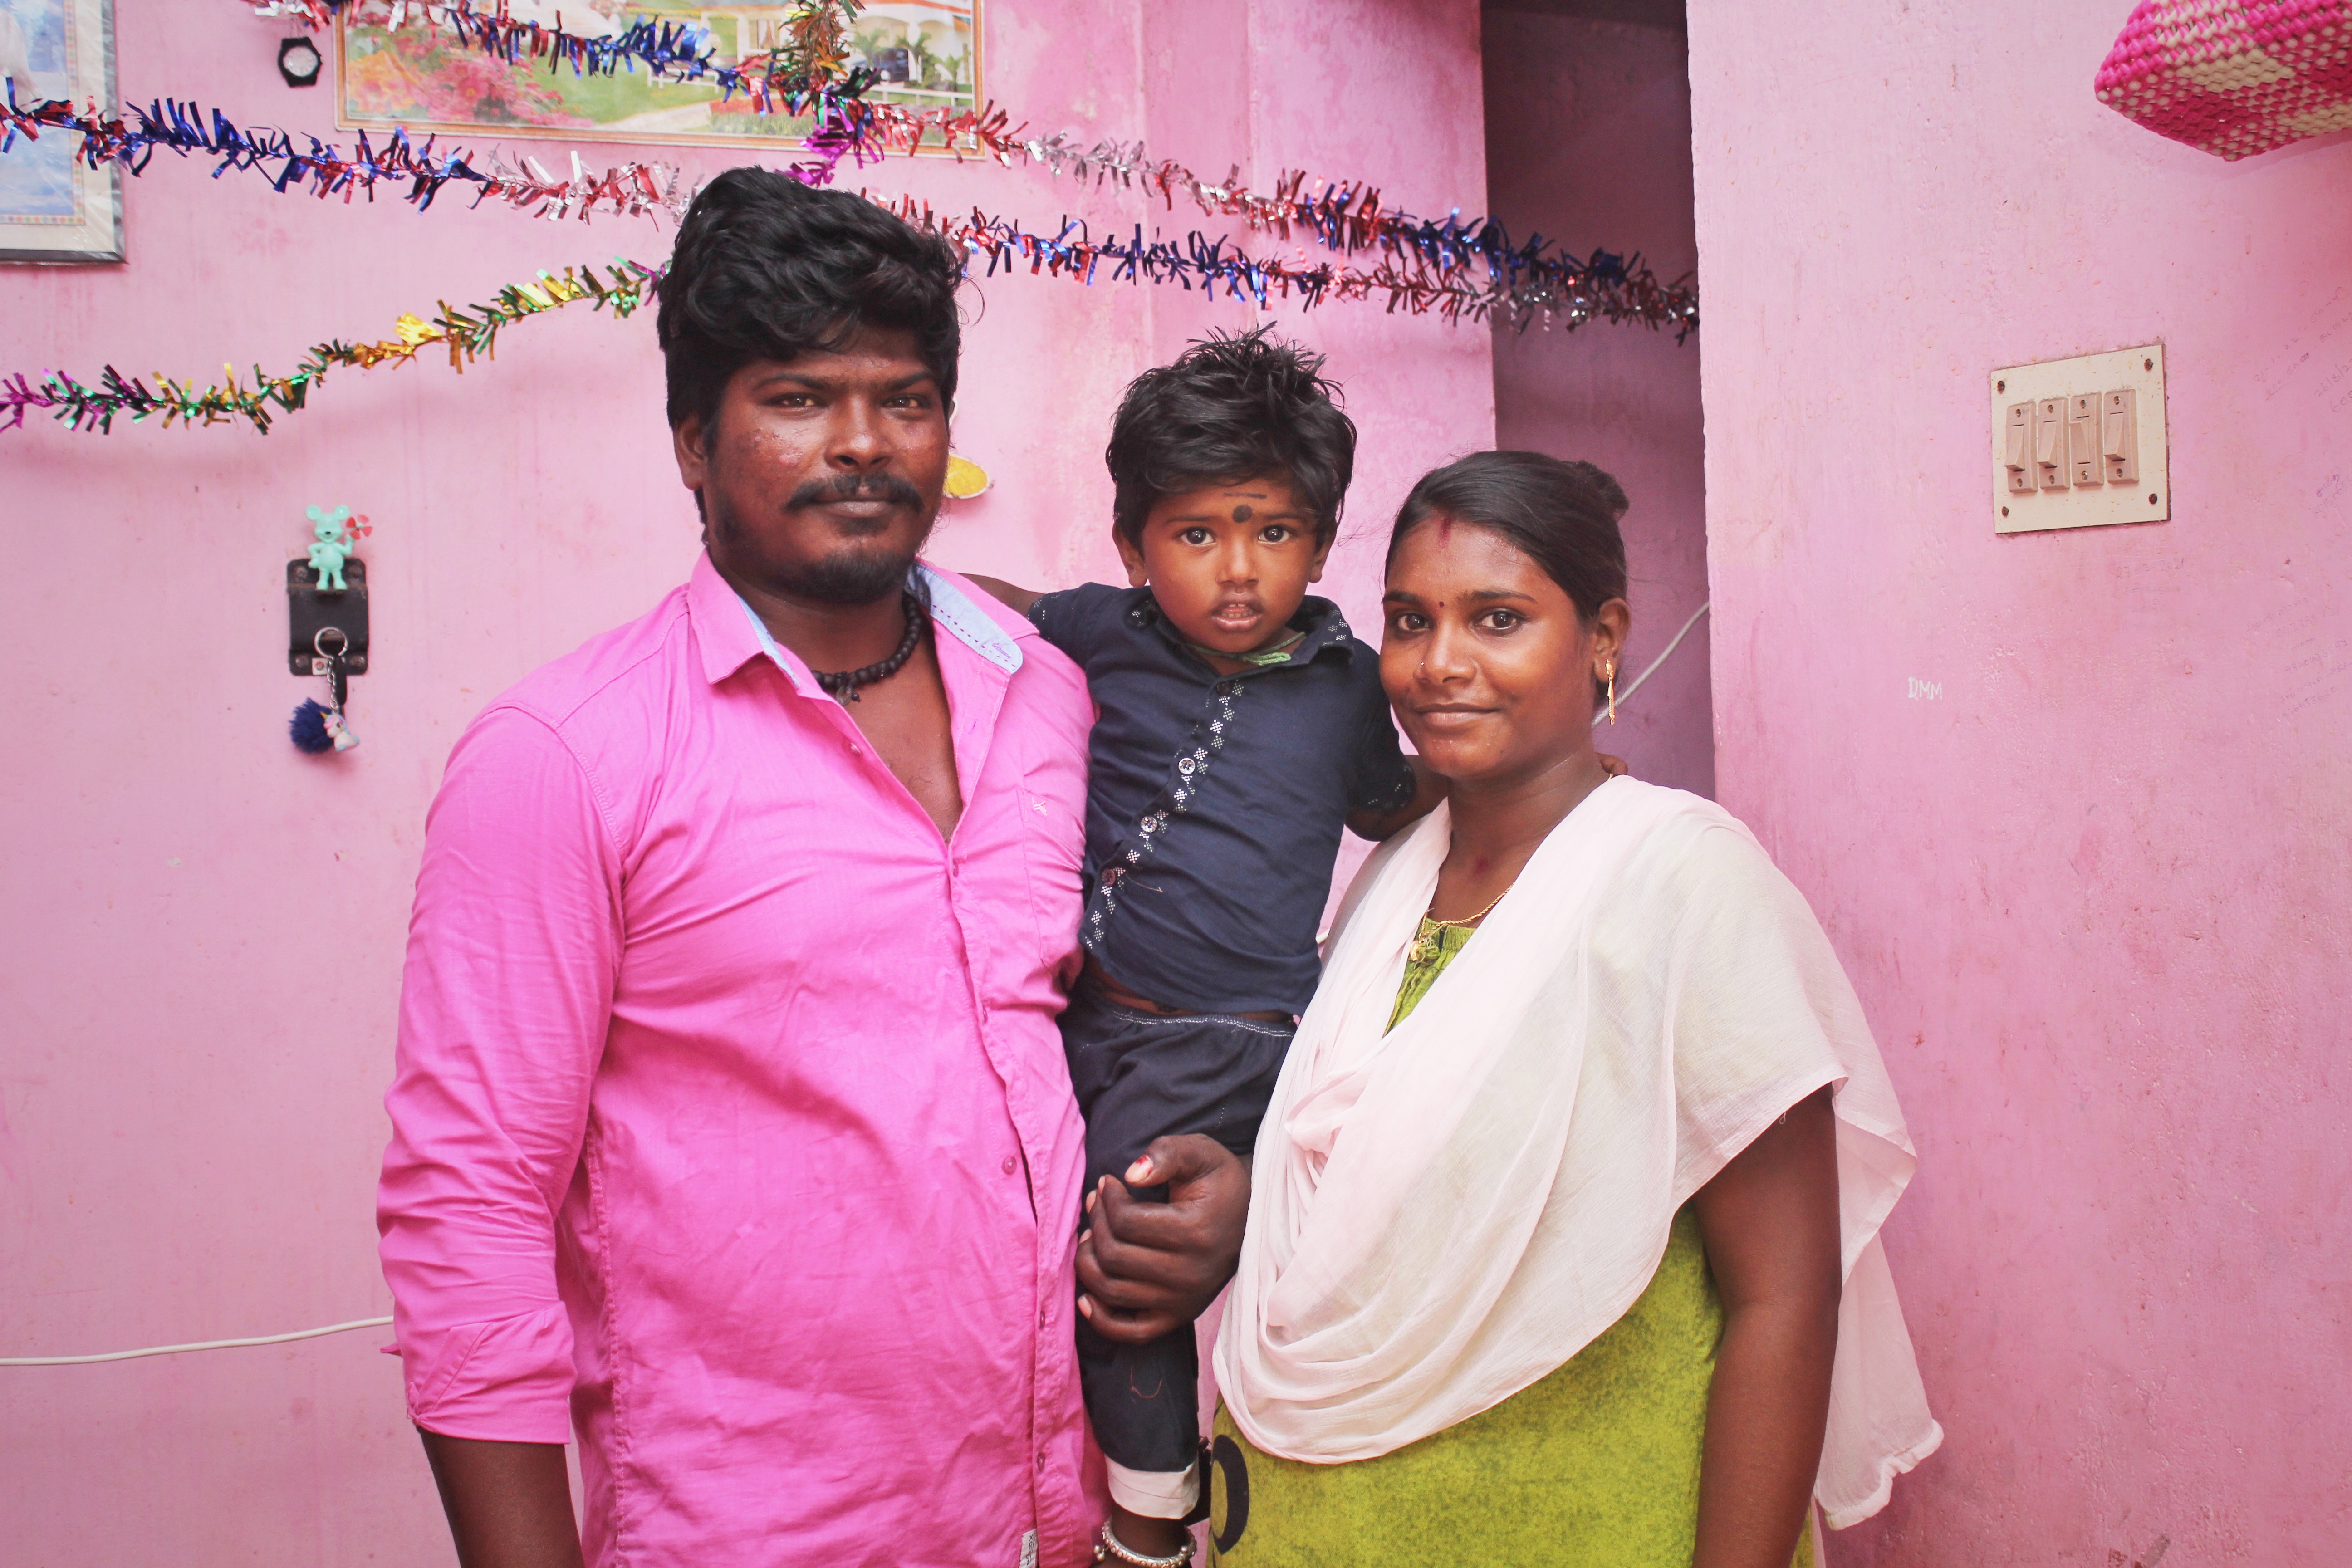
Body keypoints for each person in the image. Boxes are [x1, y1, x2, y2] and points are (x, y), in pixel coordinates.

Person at [375, 168, 1247, 1568]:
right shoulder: (563, 758)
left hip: (1060, 1521)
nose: (862, 443)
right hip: (756, 1534)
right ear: (690, 442)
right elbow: (467, 1214)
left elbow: (1091, 1039)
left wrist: (1217, 1186)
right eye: (796, 398)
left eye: (903, 399)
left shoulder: (1046, 692)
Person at [1203, 452, 1942, 1566]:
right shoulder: (1392, 881)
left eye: (1497, 619)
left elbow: (1783, 1300)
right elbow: (1377, 1182)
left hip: (1589, 1517)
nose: (1439, 664)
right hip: (1323, 1528)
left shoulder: (1682, 882)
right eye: (1410, 621)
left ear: (1602, 639)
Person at [965, 330, 1445, 1566]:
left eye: (1274, 533)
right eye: (1198, 535)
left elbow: (1386, 804)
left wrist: (1504, 781)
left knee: (1127, 1252)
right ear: (1133, 545)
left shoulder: (1346, 678)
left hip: (1230, 1037)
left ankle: (1150, 1520)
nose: (1240, 571)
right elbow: (983, 608)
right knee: (1010, 1233)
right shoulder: (1098, 630)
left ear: (1323, 543)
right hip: (1089, 1019)